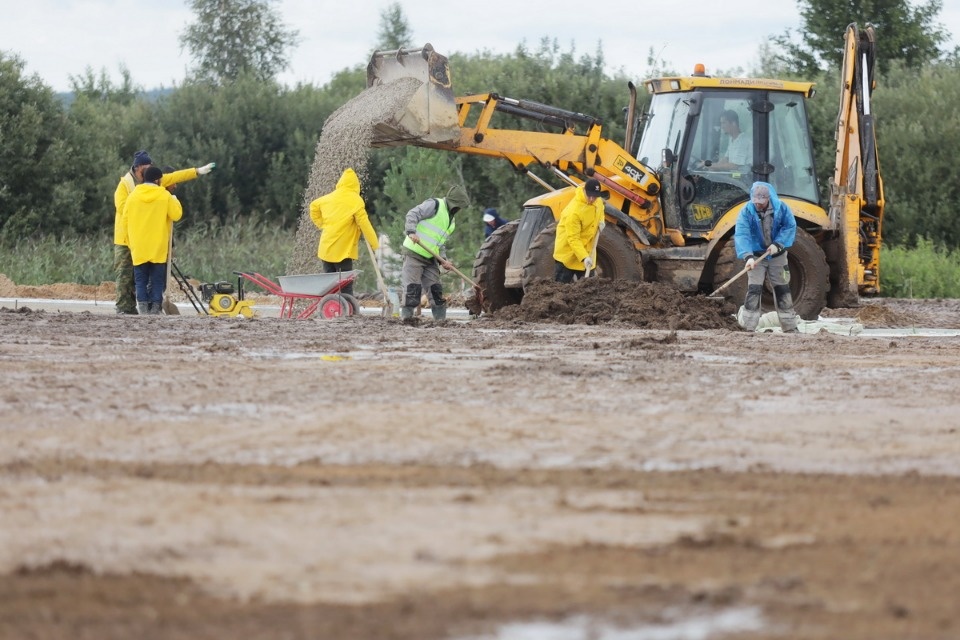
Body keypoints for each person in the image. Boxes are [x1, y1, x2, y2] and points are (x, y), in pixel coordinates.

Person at [113, 151, 215, 314]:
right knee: (125, 275)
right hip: (126, 238)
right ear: (137, 167)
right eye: (146, 168)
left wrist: (197, 171)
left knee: (140, 277)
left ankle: (144, 308)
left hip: (144, 237)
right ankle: (124, 307)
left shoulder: (152, 182)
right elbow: (124, 211)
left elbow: (174, 177)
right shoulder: (124, 186)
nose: (148, 171)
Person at [734, 181, 799, 333]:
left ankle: (790, 327)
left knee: (782, 289)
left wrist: (778, 243)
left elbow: (790, 226)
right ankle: (748, 327)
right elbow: (742, 234)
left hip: (777, 255)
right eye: (756, 202)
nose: (759, 205)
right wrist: (748, 256)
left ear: (768, 198)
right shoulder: (746, 211)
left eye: (762, 203)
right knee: (754, 289)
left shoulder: (781, 208)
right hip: (756, 256)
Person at [400, 184, 470, 321]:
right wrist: (411, 232)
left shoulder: (451, 222)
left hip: (431, 257)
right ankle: (407, 320)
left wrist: (443, 260)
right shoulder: (434, 205)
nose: (459, 209)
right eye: (459, 206)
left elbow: (440, 242)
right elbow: (412, 214)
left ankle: (440, 322)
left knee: (436, 291)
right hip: (414, 252)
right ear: (454, 204)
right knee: (412, 289)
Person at [309, 168, 379, 297]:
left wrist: (322, 224)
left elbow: (313, 206)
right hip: (343, 250)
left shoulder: (328, 198)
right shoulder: (356, 201)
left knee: (329, 283)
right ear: (356, 185)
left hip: (326, 249)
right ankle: (346, 308)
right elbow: (365, 225)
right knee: (345, 283)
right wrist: (375, 245)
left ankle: (329, 307)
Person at [122, 166, 183, 315]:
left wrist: (130, 243)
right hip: (158, 246)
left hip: (139, 246)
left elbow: (125, 221)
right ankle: (155, 309)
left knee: (141, 280)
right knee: (157, 280)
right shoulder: (164, 196)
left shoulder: (133, 196)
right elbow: (176, 215)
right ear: (157, 179)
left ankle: (142, 309)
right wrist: (175, 201)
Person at [553, 178, 605, 283]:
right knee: (560, 291)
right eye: (589, 195)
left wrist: (601, 221)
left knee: (589, 290)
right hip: (568, 254)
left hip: (588, 252)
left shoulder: (598, 201)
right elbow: (573, 238)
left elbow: (601, 209)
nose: (591, 199)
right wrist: (584, 257)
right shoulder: (574, 212)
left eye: (594, 196)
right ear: (584, 191)